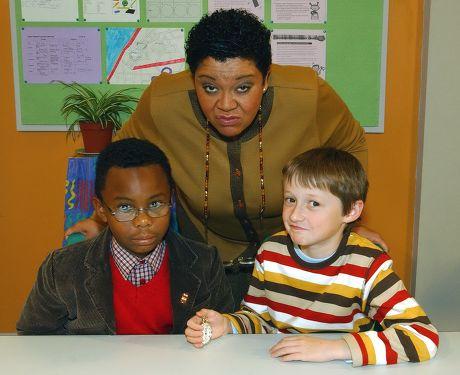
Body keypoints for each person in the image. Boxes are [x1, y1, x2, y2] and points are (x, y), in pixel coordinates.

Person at [65, 9, 385, 308]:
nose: (226, 105)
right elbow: (121, 163)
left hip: (297, 258)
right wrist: (103, 222)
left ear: (266, 79)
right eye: (210, 88)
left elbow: (350, 144)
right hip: (204, 265)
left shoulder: (308, 96)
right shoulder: (163, 102)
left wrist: (346, 222)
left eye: (244, 87)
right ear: (193, 80)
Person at [184, 148, 438, 366]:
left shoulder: (369, 264)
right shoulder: (271, 251)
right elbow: (259, 319)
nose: (295, 215)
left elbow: (422, 336)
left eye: (313, 203)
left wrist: (333, 348)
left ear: (350, 211)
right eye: (290, 199)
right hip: (280, 362)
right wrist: (227, 324)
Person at [17, 138, 233, 335]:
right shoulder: (62, 269)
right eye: (125, 207)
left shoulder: (204, 262)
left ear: (172, 199)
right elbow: (33, 339)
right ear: (101, 209)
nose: (143, 220)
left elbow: (224, 338)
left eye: (155, 204)